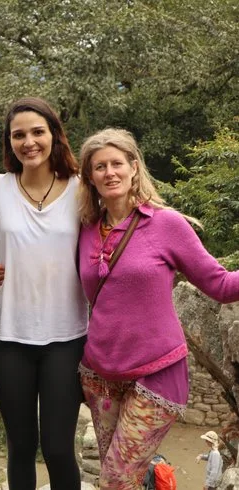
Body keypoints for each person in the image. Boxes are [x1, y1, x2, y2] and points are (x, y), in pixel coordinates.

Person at [77, 128, 239, 489]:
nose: (110, 172)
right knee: (124, 478)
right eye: (100, 167)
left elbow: (221, 285)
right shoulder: (85, 229)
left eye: (117, 163)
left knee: (116, 479)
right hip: (99, 374)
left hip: (157, 372)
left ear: (134, 167)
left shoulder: (166, 224)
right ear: (90, 176)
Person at [0, 97, 88, 489]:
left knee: (58, 448)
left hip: (66, 336)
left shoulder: (81, 190)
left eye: (37, 132)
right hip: (8, 335)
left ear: (54, 134)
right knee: (20, 445)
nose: (29, 142)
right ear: (9, 142)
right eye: (18, 135)